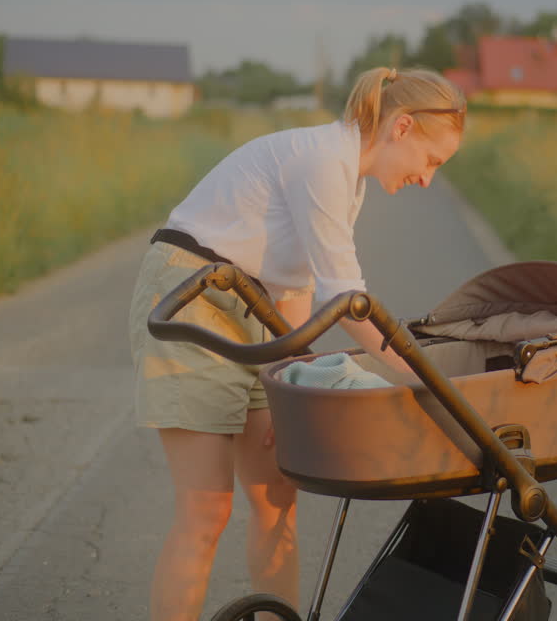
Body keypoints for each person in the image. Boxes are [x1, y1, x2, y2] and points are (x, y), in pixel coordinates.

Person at [128, 66, 466, 621]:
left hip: (255, 304)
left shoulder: (348, 179)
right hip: (193, 294)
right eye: (432, 162)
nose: (427, 179)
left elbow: (297, 288)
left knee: (277, 497)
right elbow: (349, 300)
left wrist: (290, 386)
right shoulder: (322, 160)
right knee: (206, 508)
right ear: (402, 127)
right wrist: (417, 377)